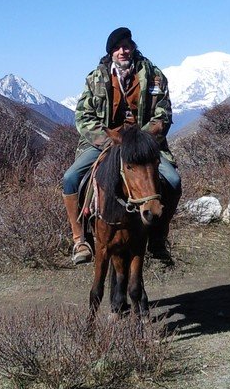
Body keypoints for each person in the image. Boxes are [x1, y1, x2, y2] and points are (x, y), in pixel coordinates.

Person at [62, 27, 182, 265]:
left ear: (133, 47)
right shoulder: (95, 78)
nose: (122, 51)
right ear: (111, 53)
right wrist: (108, 141)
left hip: (144, 144)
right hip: (104, 143)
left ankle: (158, 238)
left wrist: (143, 140)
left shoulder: (154, 75)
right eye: (117, 48)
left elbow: (163, 113)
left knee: (173, 181)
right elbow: (84, 117)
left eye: (126, 46)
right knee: (71, 178)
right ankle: (80, 240)